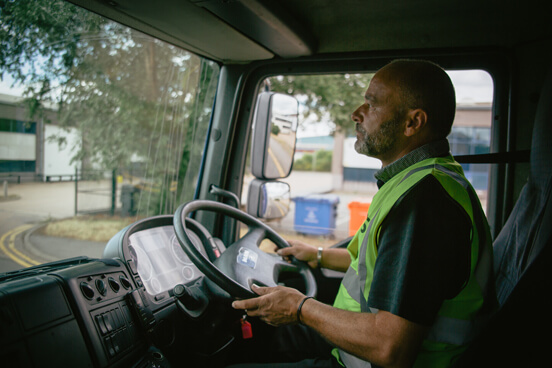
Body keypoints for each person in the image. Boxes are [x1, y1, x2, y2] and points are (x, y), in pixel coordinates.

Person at [231, 59, 496, 367]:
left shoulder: (423, 201)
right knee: (266, 342)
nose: (357, 113)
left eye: (372, 104)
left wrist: (299, 307)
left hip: (368, 360)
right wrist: (316, 254)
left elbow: (390, 349)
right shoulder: (418, 180)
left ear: (413, 123)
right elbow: (377, 264)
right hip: (353, 351)